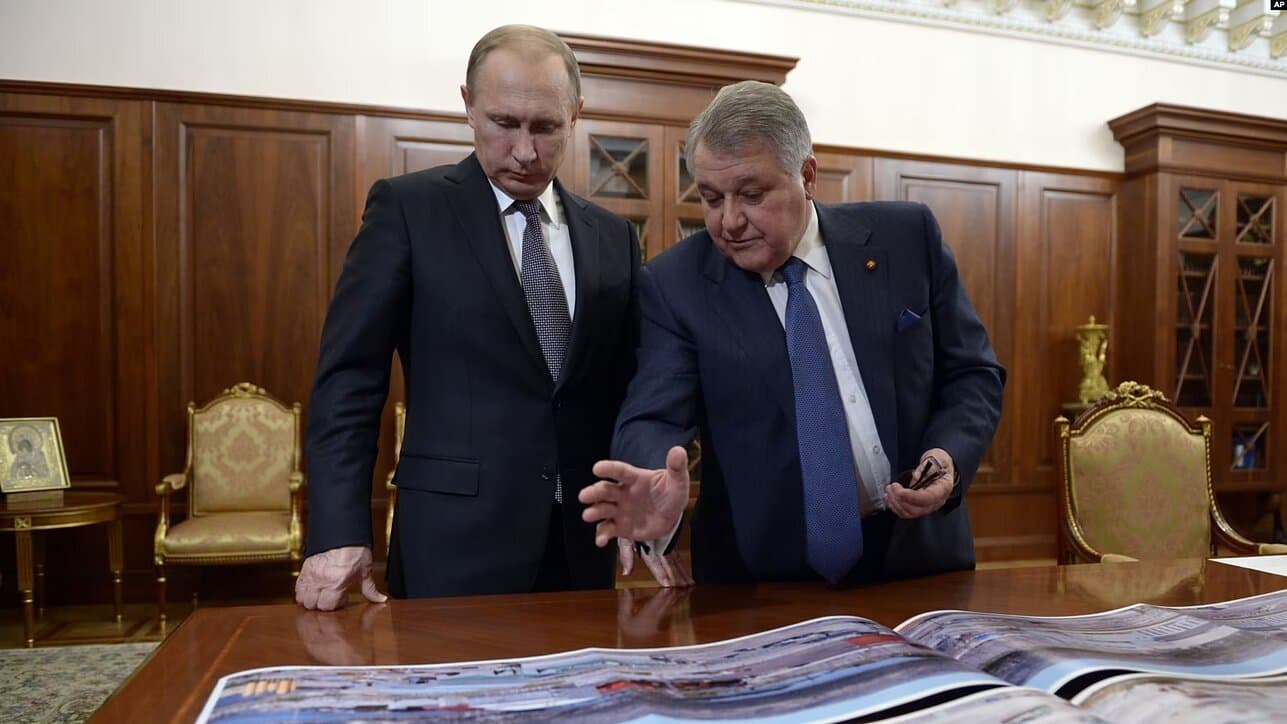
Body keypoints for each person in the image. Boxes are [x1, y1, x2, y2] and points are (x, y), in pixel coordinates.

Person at [580, 81, 1004, 587]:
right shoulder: (677, 284)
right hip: (761, 584)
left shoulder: (906, 238)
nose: (729, 221)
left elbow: (972, 374)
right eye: (711, 198)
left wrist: (948, 458)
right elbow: (653, 414)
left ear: (807, 176)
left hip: (917, 562)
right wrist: (652, 473)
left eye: (751, 195)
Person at [296, 25, 642, 609]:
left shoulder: (613, 237)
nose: (525, 151)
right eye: (504, 123)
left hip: (581, 546)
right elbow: (349, 381)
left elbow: (633, 387)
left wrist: (641, 491)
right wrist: (337, 531)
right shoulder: (407, 210)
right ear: (468, 106)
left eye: (546, 127)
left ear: (576, 115)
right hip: (452, 546)